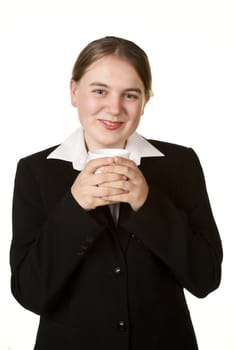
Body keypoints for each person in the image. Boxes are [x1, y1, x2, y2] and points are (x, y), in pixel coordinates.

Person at [10, 36, 223, 350]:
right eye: (99, 91)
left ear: (145, 100)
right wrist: (75, 206)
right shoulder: (36, 171)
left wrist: (147, 204)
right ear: (74, 92)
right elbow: (29, 292)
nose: (114, 108)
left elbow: (205, 279)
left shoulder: (180, 164)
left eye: (130, 95)